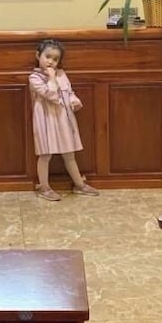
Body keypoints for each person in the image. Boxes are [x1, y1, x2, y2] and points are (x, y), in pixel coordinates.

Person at [28, 38, 100, 201]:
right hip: (45, 120)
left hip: (63, 119)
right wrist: (51, 78)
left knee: (69, 153)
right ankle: (44, 187)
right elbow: (51, 95)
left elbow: (68, 92)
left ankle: (79, 184)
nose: (50, 62)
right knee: (45, 154)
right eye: (47, 57)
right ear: (38, 55)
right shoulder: (34, 78)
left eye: (55, 59)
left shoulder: (61, 74)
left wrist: (74, 100)